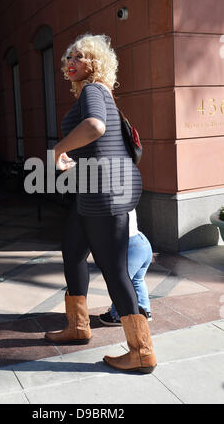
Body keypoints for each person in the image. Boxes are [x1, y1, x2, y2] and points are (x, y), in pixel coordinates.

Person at [44, 34, 157, 374]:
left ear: (95, 62)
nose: (70, 62)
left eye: (79, 56)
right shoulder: (99, 95)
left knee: (114, 271)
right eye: (68, 58)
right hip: (94, 192)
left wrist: (58, 150)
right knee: (72, 251)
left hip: (104, 197)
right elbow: (105, 144)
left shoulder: (93, 91)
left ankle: (141, 351)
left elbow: (95, 127)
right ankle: (78, 326)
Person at [99, 209, 153, 326]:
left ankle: (117, 315)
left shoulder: (107, 202)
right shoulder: (125, 199)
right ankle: (145, 311)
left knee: (120, 283)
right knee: (137, 280)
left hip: (129, 246)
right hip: (142, 242)